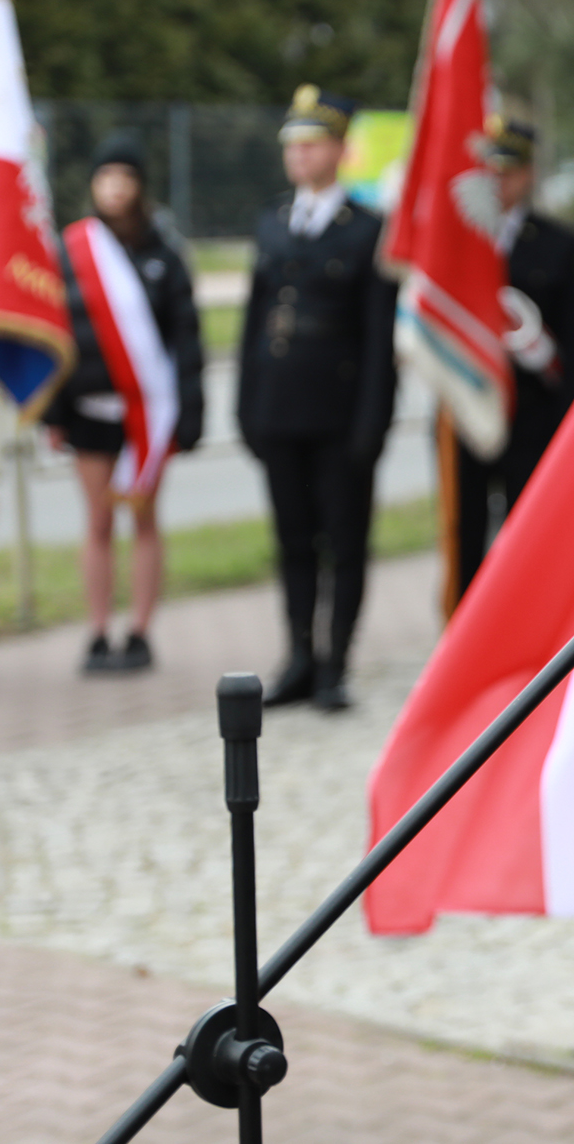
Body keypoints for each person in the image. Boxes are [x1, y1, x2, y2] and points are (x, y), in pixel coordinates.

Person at [237, 85, 398, 712]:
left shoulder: (367, 230)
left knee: (345, 543)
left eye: (311, 144)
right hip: (280, 410)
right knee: (293, 540)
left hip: (339, 415)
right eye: (292, 146)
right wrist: (247, 407)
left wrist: (372, 422)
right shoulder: (273, 223)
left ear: (338, 150)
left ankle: (335, 664)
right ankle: (299, 657)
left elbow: (378, 338)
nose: (299, 156)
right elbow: (255, 323)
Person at [43, 133, 205, 674]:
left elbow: (186, 340)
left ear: (140, 185)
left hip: (148, 416)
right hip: (89, 410)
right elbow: (54, 334)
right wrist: (54, 412)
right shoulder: (72, 252)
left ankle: (139, 631)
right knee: (97, 521)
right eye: (105, 176)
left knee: (144, 519)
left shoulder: (165, 255)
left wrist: (189, 413)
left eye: (125, 177)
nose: (114, 187)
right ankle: (97, 631)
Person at [451, 116, 574, 597]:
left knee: (529, 532)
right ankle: (464, 622)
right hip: (469, 408)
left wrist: (568, 424)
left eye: (507, 172)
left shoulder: (557, 243)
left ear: (528, 174)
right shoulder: (457, 241)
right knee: (464, 529)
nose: (497, 182)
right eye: (488, 172)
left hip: (533, 413)